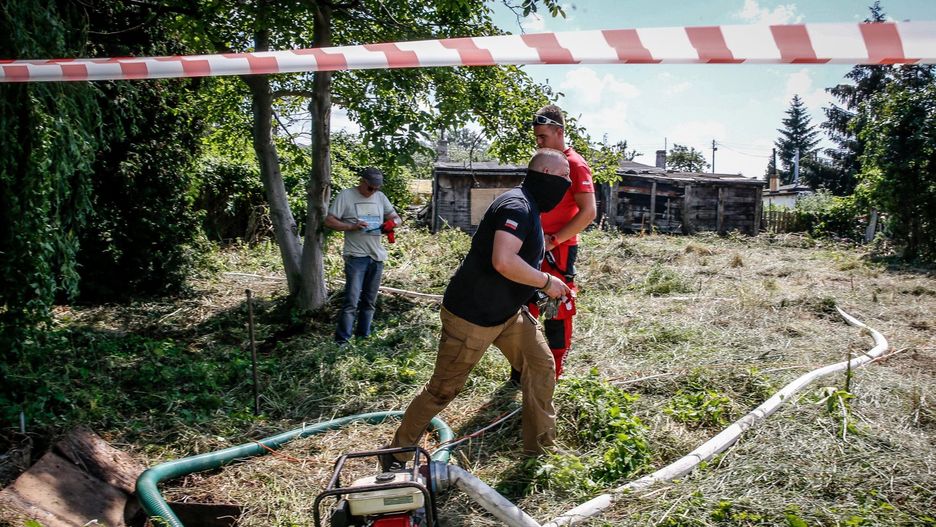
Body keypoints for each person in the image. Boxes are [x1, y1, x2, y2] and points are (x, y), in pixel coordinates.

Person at [385, 149, 573, 466]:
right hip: (472, 317)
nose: (568, 183)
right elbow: (504, 260)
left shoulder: (531, 207)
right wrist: (545, 282)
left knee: (540, 367)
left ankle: (539, 452)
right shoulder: (517, 206)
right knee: (442, 390)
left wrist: (536, 291)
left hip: (509, 314)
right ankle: (397, 455)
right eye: (565, 176)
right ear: (546, 174)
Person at [511, 104, 597, 380]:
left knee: (557, 309)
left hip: (558, 250)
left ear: (559, 132)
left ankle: (553, 372)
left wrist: (555, 240)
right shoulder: (543, 161)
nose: (538, 143)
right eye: (536, 138)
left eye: (543, 137)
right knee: (526, 304)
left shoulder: (575, 164)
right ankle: (521, 368)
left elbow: (589, 212)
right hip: (532, 246)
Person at [324, 167, 402, 344]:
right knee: (351, 301)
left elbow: (397, 218)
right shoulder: (346, 196)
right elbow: (329, 220)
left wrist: (390, 224)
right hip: (356, 257)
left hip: (376, 257)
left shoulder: (380, 198)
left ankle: (362, 338)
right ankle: (341, 341)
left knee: (369, 301)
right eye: (370, 188)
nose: (373, 191)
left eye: (377, 188)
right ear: (362, 182)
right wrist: (351, 226)